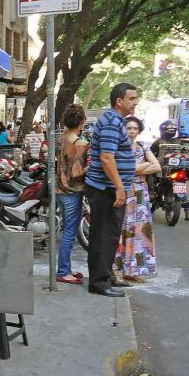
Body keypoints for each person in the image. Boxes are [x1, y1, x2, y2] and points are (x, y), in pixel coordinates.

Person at [84, 83, 138, 297]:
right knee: (103, 236)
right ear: (119, 101)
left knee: (110, 235)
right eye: (132, 98)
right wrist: (118, 187)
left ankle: (106, 276)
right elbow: (107, 158)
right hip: (105, 188)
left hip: (110, 188)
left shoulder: (115, 121)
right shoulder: (111, 122)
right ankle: (98, 282)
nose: (135, 102)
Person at [114, 117, 161, 283]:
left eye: (135, 128)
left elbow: (157, 166)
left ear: (139, 130)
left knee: (140, 230)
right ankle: (119, 269)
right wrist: (142, 167)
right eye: (129, 128)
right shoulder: (119, 147)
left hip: (141, 193)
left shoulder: (143, 146)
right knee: (123, 229)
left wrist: (133, 169)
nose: (132, 131)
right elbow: (118, 170)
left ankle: (135, 270)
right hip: (125, 191)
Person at [55, 105, 90, 285]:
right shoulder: (81, 144)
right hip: (72, 191)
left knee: (68, 231)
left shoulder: (60, 139)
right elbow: (76, 173)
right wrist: (90, 167)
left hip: (59, 190)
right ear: (82, 121)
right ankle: (62, 272)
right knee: (69, 232)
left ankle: (65, 268)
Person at [150, 120, 189, 220]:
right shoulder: (180, 141)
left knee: (151, 181)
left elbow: (150, 154)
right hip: (178, 170)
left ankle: (151, 200)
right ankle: (188, 211)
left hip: (162, 170)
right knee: (181, 186)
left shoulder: (158, 142)